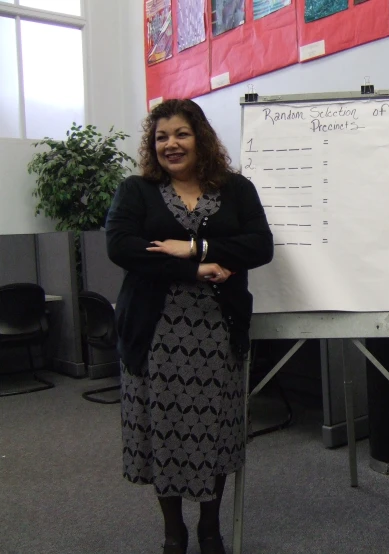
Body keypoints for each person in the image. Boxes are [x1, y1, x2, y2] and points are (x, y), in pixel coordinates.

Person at [106, 99, 273, 554]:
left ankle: (210, 527)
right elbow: (122, 247)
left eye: (180, 134)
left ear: (199, 137)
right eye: (161, 137)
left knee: (214, 430)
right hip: (154, 333)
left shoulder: (236, 189)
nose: (170, 144)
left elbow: (260, 246)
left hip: (218, 332)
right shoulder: (135, 190)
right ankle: (173, 529)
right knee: (163, 431)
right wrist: (195, 269)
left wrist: (193, 246)